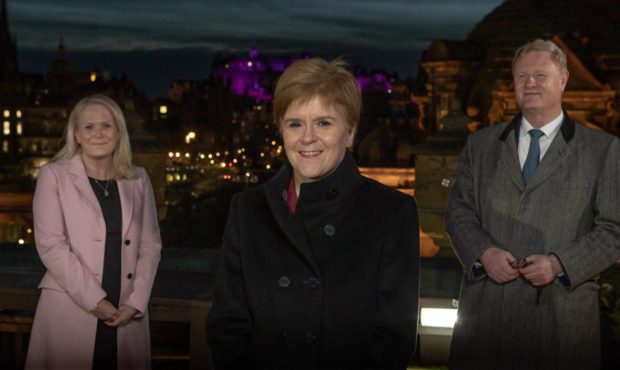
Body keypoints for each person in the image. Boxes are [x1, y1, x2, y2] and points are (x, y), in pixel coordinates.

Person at [207, 58, 419, 369]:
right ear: (281, 130)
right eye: (295, 123)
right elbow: (227, 326)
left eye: (323, 123)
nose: (307, 137)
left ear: (349, 132)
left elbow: (393, 338)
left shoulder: (391, 212)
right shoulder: (248, 209)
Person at [446, 39, 620, 369]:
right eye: (522, 76)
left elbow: (613, 230)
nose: (530, 83)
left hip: (561, 323)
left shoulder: (603, 149)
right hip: (486, 319)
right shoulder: (480, 144)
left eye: (541, 75)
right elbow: (458, 211)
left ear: (564, 79)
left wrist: (559, 264)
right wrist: (484, 252)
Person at [25, 94, 162, 370]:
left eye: (106, 126)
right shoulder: (53, 176)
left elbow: (151, 244)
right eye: (88, 127)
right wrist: (94, 301)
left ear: (119, 131)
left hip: (127, 314)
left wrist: (136, 303)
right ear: (76, 134)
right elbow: (51, 245)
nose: (98, 133)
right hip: (70, 310)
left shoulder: (139, 179)